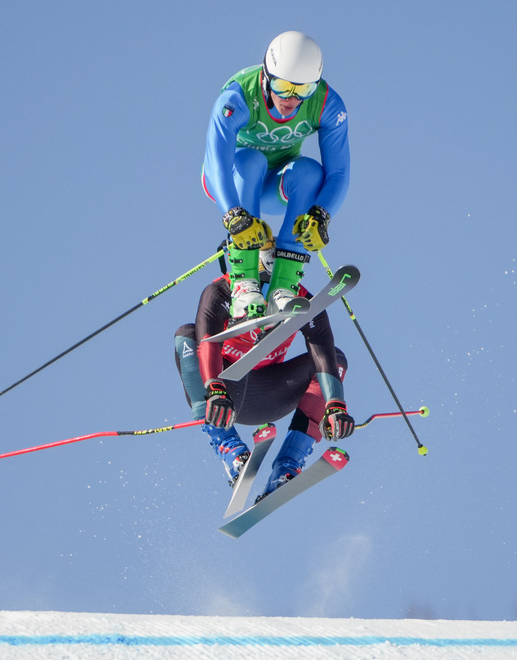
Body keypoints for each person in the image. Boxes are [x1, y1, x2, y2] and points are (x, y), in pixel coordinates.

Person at [173, 250, 355, 498]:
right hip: (226, 396)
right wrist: (215, 388)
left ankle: (287, 466)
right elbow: (207, 343)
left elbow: (323, 352)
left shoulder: (302, 300)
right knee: (186, 335)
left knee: (337, 358)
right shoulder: (220, 293)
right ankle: (230, 448)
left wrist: (336, 405)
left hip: (271, 393)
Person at [201, 30, 350, 321]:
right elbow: (217, 163)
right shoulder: (238, 97)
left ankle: (282, 287)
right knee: (251, 160)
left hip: (275, 186)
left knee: (309, 172)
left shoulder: (327, 105)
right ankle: (245, 283)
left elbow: (339, 172)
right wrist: (234, 215)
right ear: (267, 76)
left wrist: (322, 215)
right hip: (229, 181)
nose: (291, 99)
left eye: (303, 90)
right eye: (282, 86)